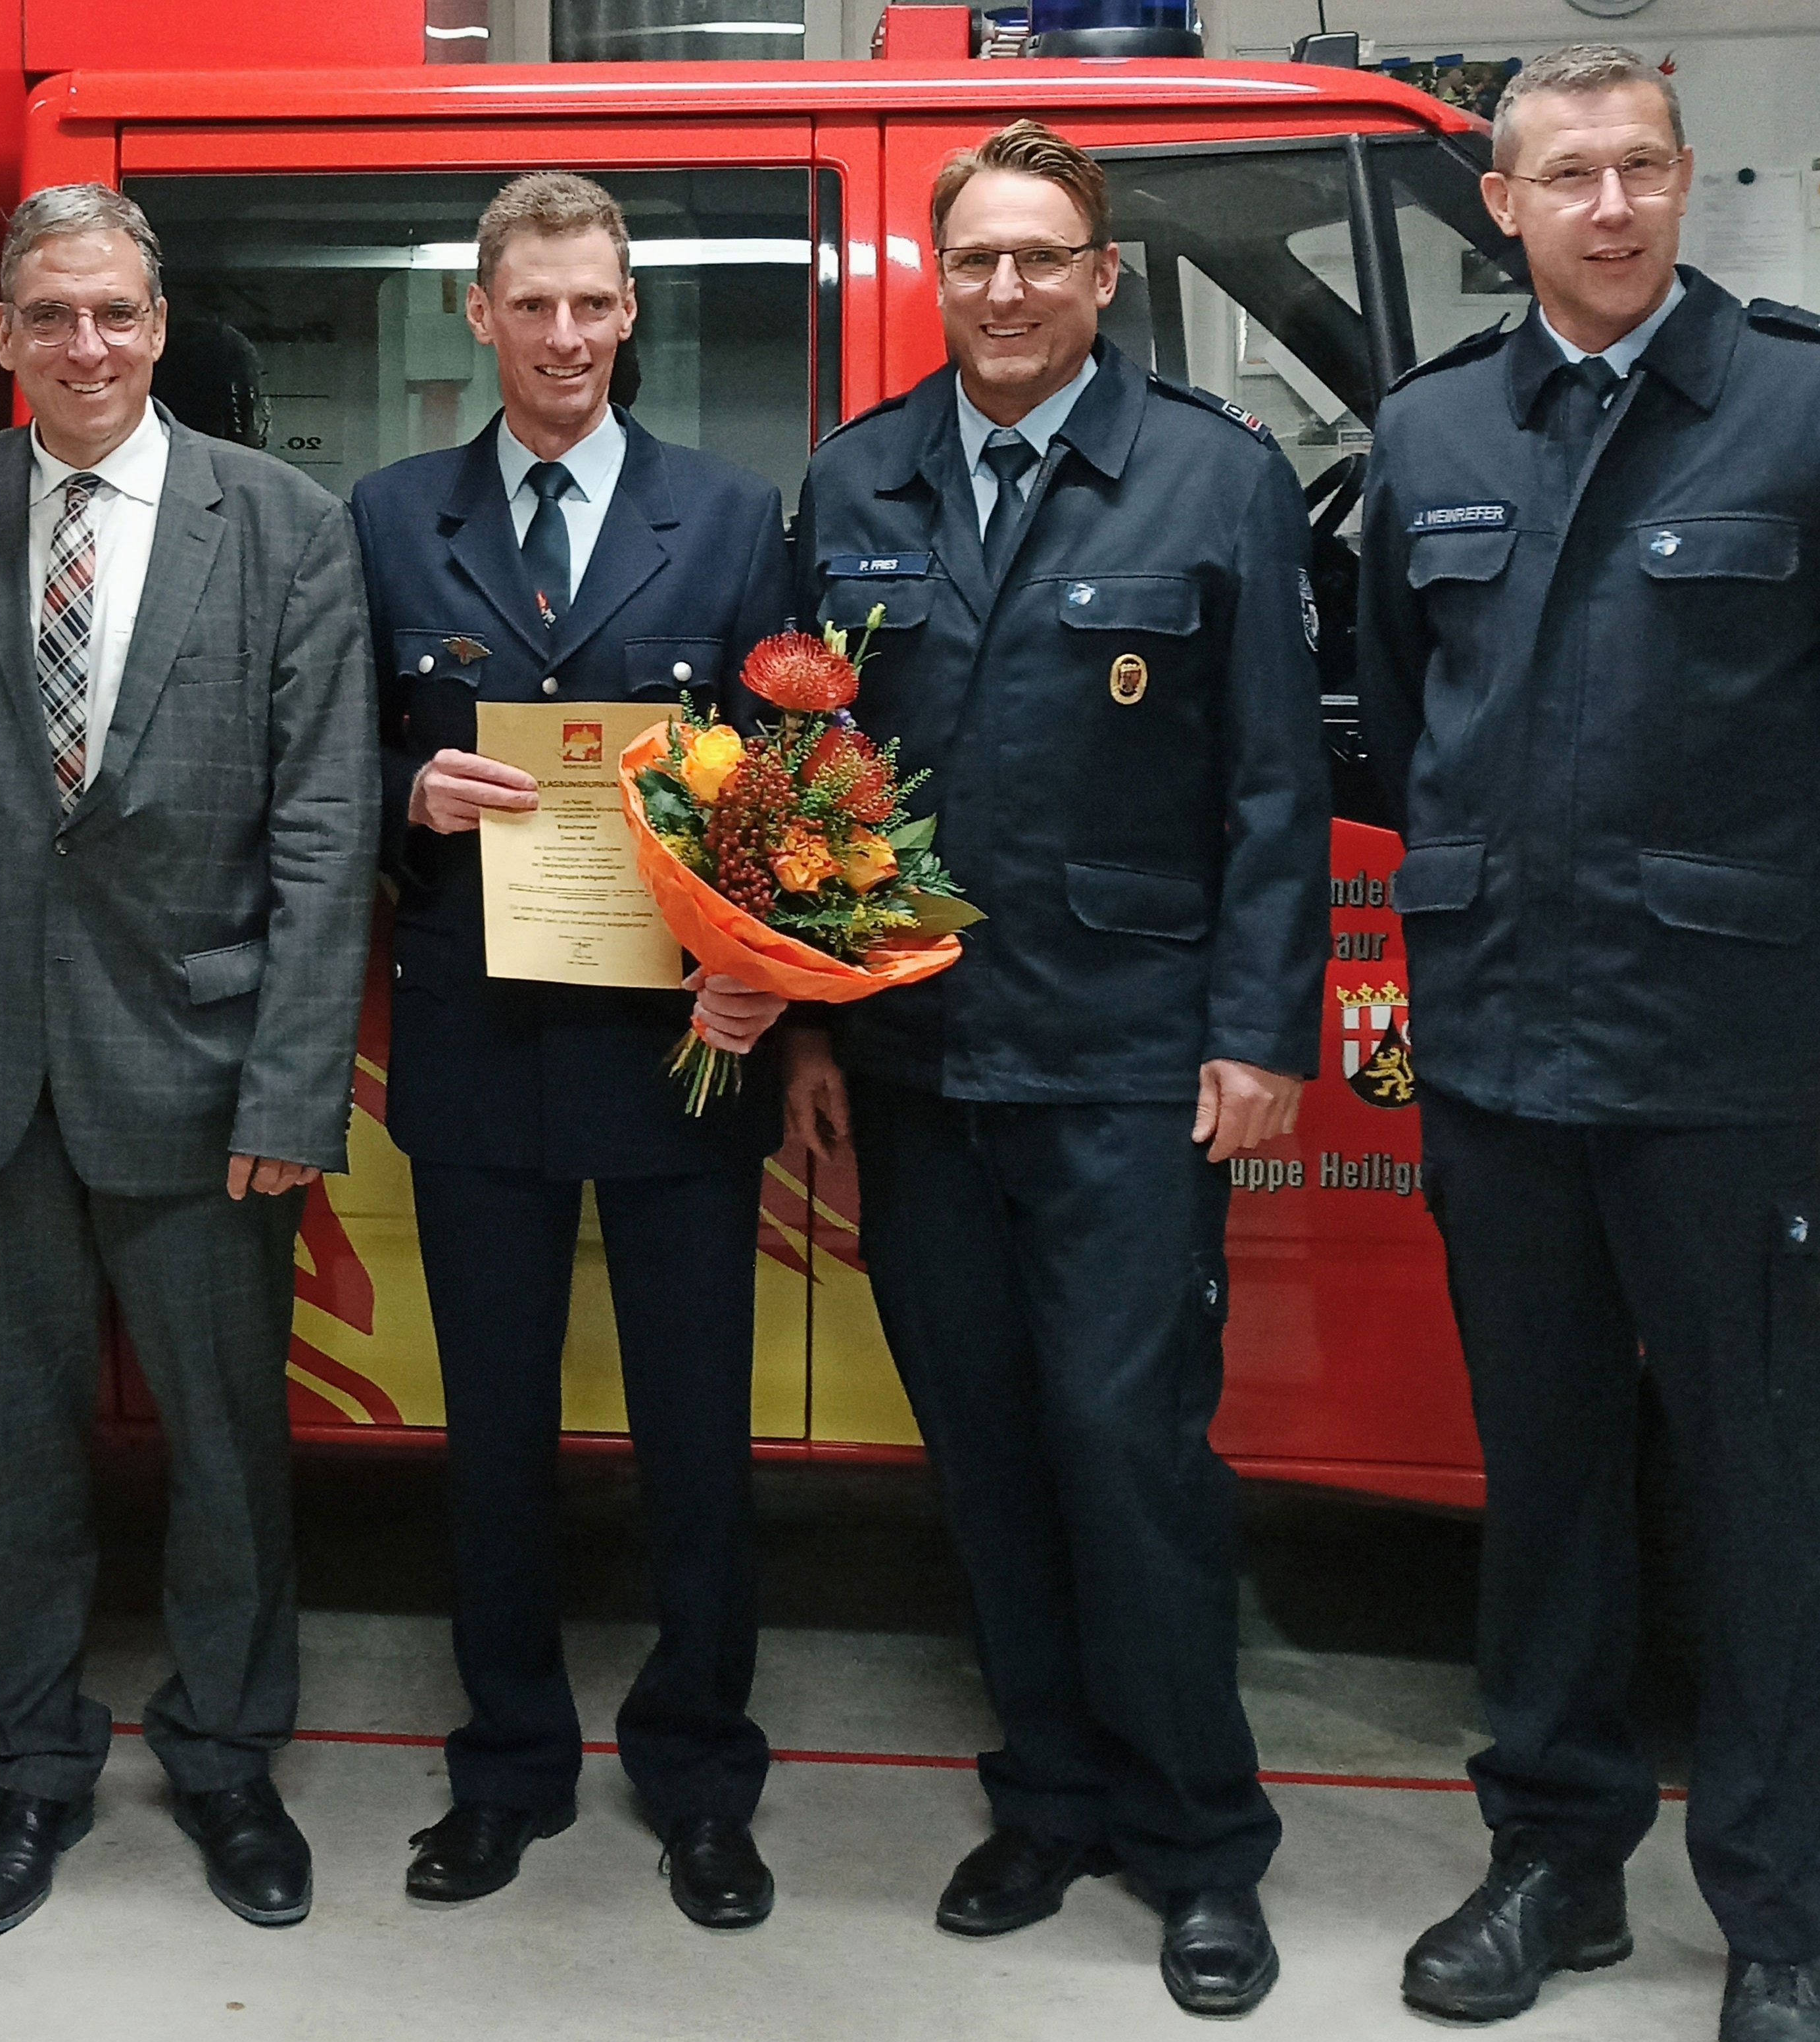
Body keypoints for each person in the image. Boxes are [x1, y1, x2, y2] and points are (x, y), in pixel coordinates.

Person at [1354, 46, 1820, 2042]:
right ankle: (1556, 1864)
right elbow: (1405, 715)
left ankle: (1782, 1917)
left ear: (1687, 179)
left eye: (1640, 167)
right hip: (1496, 1055)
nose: (1611, 206)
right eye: (1569, 175)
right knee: (1543, 1483)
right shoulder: (1431, 428)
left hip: (1718, 1058)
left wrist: (1802, 997)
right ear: (1504, 207)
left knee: (1749, 1481)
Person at [782, 119, 1326, 2016]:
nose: (1005, 290)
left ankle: (1198, 1839)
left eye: (1041, 258)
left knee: (1128, 1447)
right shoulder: (855, 479)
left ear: (1103, 278)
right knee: (987, 1448)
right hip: (919, 1061)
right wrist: (817, 1022)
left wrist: (1258, 1028)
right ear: (938, 277)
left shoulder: (1213, 478)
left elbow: (1274, 784)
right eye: (977, 259)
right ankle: (1047, 1796)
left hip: (1126, 1061)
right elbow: (817, 786)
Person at [0, 183, 376, 1939]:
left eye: (115, 314)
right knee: (7, 1452)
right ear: (4, 334)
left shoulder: (285, 526)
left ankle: (228, 1759)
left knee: (229, 1453)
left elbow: (326, 831)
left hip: (209, 1083)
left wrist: (292, 1088)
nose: (85, 344)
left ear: (159, 328)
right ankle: (33, 1765)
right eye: (50, 314)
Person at [350, 170, 793, 1927]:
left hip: (682, 1043)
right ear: (479, 314)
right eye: (529, 303)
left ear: (629, 313)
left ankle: (701, 1776)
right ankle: (509, 1765)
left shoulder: (732, 515)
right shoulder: (392, 517)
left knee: (698, 1437)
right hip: (478, 1044)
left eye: (590, 302)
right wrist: (408, 792)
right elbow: (329, 758)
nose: (561, 335)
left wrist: (761, 970)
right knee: (494, 1435)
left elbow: (785, 785)